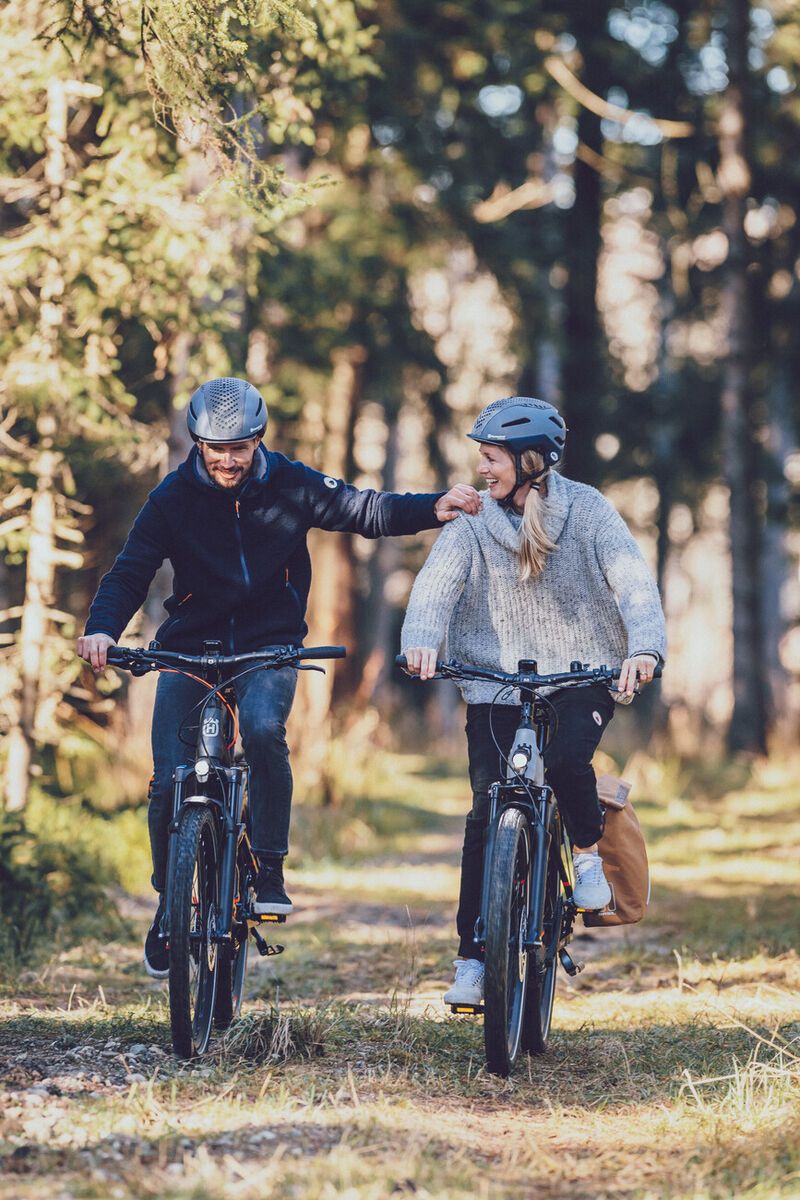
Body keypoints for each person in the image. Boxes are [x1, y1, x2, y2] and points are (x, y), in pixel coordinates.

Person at [77, 377, 479, 978]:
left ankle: (267, 868)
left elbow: (363, 510)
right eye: (217, 447)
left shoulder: (291, 483)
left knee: (264, 732)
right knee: (166, 783)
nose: (228, 458)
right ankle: (169, 905)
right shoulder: (171, 499)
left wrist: (433, 506)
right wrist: (103, 628)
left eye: (240, 446)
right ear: (198, 442)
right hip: (188, 647)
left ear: (258, 439)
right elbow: (130, 571)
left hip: (269, 644)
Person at [400, 396, 666, 1007]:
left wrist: (645, 649)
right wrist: (419, 640)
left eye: (492, 458)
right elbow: (435, 584)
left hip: (582, 675)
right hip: (495, 682)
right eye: (481, 458)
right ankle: (472, 959)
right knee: (483, 810)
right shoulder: (471, 519)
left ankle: (586, 855)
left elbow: (634, 584)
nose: (482, 469)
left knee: (571, 761)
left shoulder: (589, 511)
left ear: (530, 462)